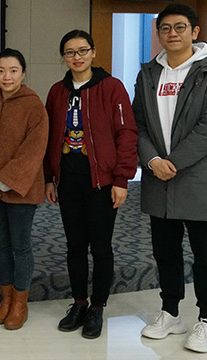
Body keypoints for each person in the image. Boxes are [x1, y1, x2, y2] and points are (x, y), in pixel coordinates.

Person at [133, 3, 207, 353]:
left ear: (194, 32)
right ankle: (170, 312)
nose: (172, 33)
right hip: (159, 179)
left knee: (206, 253)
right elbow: (139, 124)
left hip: (199, 178)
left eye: (179, 27)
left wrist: (172, 162)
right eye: (165, 28)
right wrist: (152, 160)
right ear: (158, 34)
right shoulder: (149, 73)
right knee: (165, 252)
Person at [44, 29, 137, 340]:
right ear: (63, 57)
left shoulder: (111, 87)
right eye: (70, 52)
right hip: (68, 180)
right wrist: (48, 177)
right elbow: (49, 138)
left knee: (100, 246)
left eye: (83, 50)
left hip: (102, 181)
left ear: (94, 52)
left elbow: (126, 134)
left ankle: (97, 306)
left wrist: (122, 179)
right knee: (74, 245)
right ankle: (79, 303)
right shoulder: (57, 91)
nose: (77, 57)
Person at [0, 48, 49, 330]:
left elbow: (33, 151)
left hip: (20, 188)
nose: (6, 77)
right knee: (0, 244)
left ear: (23, 73)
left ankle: (20, 303)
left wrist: (4, 179)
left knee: (20, 246)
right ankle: (6, 299)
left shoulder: (34, 106)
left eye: (13, 71)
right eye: (1, 71)